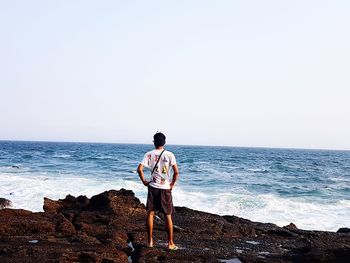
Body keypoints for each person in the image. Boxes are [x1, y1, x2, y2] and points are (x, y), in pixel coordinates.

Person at [137, 132, 179, 250]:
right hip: (165, 188)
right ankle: (170, 243)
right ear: (164, 142)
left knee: (150, 213)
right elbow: (176, 172)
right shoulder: (170, 155)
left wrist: (144, 181)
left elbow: (139, 169)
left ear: (154, 142)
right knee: (167, 215)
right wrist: (172, 184)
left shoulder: (148, 154)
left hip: (152, 187)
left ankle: (150, 241)